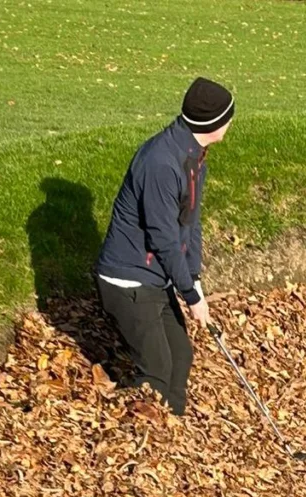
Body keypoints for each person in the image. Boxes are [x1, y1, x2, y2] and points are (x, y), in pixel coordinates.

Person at [94, 77, 235, 416]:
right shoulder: (161, 163)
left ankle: (173, 427)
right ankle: (140, 435)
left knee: (181, 356)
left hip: (155, 278)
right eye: (228, 117)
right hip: (129, 281)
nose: (231, 122)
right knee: (156, 372)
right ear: (213, 123)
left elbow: (190, 222)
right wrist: (191, 297)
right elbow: (163, 238)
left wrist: (193, 279)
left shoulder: (193, 155)